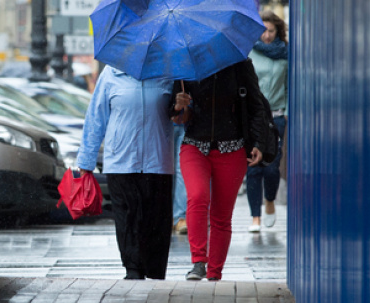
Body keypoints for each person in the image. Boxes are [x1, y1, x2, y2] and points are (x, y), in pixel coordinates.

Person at [171, 58, 272, 281]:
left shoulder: (239, 64)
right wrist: (177, 104)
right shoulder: (187, 64)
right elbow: (172, 110)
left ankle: (215, 272)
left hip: (232, 148)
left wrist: (258, 144)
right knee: (197, 197)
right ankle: (198, 262)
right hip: (194, 145)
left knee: (221, 215)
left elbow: (256, 106)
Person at [75, 65, 175, 280]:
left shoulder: (168, 72)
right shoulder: (111, 74)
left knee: (156, 219)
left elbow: (180, 117)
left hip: (158, 159)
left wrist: (183, 108)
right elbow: (96, 118)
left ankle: (156, 271)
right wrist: (86, 161)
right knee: (128, 216)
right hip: (121, 159)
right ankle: (133, 269)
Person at [245, 11, 289, 231]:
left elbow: (290, 85)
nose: (267, 35)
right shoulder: (250, 51)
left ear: (278, 30)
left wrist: (288, 111)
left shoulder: (286, 53)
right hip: (254, 117)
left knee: (271, 167)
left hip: (277, 115)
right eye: (263, 30)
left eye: (271, 30)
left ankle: (269, 200)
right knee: (253, 166)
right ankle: (255, 216)